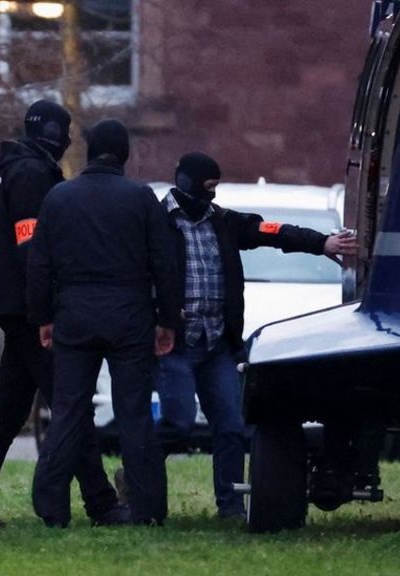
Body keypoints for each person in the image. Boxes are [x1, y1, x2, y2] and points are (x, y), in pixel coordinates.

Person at [154, 152, 357, 518]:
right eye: (207, 188)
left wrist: (322, 243)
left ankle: (230, 506)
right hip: (177, 345)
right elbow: (137, 275)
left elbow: (273, 232)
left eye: (216, 189)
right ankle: (140, 485)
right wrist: (160, 313)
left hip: (217, 344)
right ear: (186, 183)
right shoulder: (155, 223)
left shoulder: (225, 222)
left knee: (231, 428)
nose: (211, 197)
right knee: (177, 425)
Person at [0, 100, 120, 530]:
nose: (69, 140)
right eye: (64, 131)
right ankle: (101, 501)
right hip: (30, 311)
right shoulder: (31, 174)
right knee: (69, 406)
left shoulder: (16, 168)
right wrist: (47, 307)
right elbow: (32, 247)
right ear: (52, 132)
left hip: (18, 309)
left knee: (9, 411)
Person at [27, 119, 181, 527]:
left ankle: (51, 505)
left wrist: (43, 317)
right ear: (125, 153)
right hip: (130, 316)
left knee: (69, 412)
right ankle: (148, 507)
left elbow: (39, 265)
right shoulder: (142, 199)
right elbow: (164, 264)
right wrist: (167, 320)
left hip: (74, 315)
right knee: (134, 413)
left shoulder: (59, 198)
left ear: (89, 151)